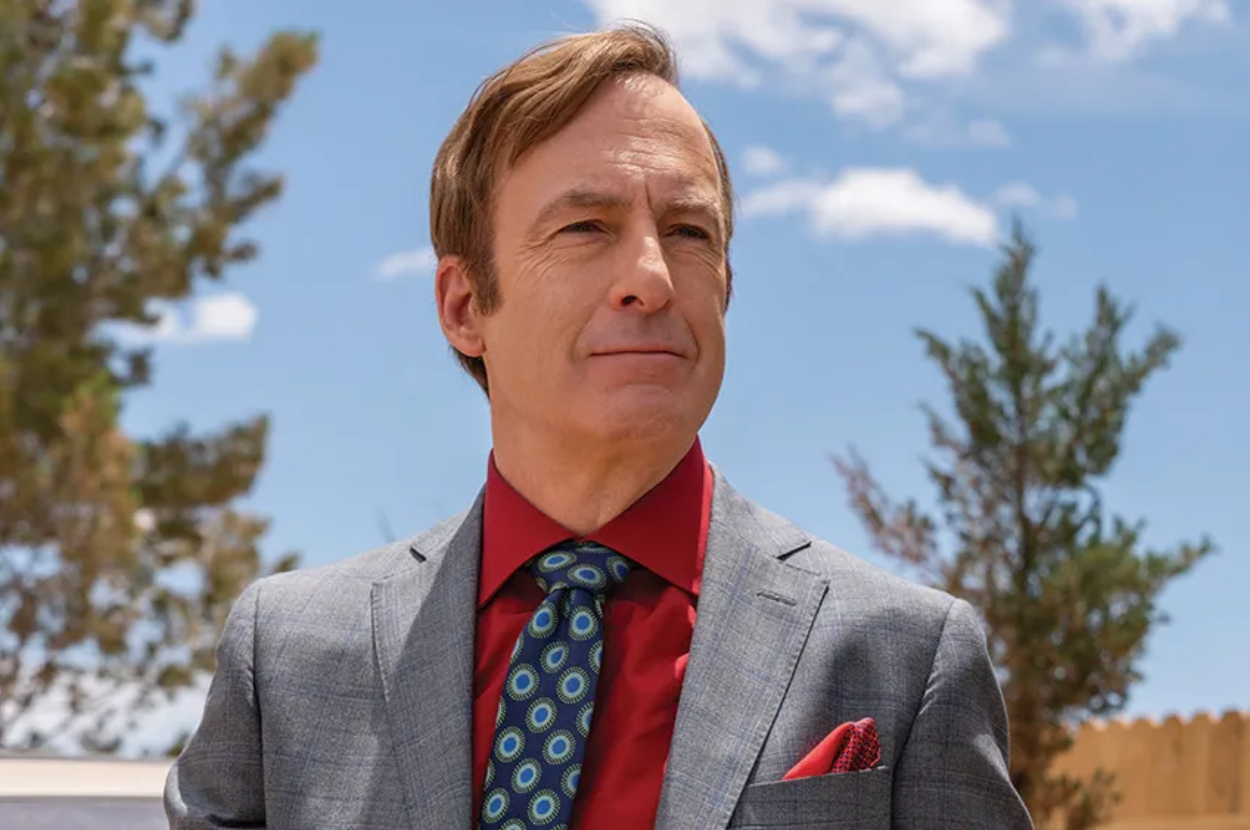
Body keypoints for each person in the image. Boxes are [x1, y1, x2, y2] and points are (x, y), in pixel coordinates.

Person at [165, 23, 1033, 830]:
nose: (652, 277)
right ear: (466, 306)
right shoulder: (283, 659)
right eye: (587, 226)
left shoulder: (907, 658)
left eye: (690, 232)